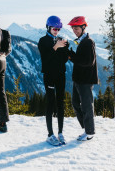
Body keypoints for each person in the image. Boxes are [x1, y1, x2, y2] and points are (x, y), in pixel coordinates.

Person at [38, 16, 69, 146]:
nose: (56, 31)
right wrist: (55, 47)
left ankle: (60, 132)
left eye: (58, 29)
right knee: (50, 103)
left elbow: (64, 60)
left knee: (60, 103)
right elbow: (45, 60)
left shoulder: (61, 40)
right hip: (49, 76)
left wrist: (65, 48)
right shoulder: (43, 41)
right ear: (48, 27)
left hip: (61, 75)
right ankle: (50, 134)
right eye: (54, 28)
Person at [68, 16, 98, 141]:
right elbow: (82, 59)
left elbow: (88, 62)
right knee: (75, 103)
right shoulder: (82, 41)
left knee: (86, 106)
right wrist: (71, 54)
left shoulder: (88, 42)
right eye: (73, 28)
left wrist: (72, 57)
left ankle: (89, 132)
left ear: (83, 27)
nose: (75, 30)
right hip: (79, 79)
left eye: (77, 28)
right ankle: (86, 127)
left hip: (85, 80)